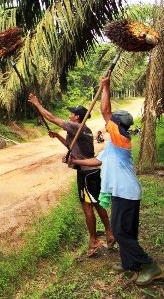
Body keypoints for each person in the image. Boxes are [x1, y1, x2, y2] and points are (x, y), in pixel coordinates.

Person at [70, 74, 162, 285]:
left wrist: (106, 86)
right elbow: (96, 161)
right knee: (125, 230)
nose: (107, 123)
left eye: (111, 122)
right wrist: (75, 161)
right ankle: (130, 263)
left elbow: (104, 111)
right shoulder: (112, 145)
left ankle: (150, 266)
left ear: (116, 125)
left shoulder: (121, 139)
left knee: (120, 231)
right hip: (122, 192)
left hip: (127, 192)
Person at [28, 93, 114, 257]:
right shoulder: (84, 130)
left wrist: (37, 104)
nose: (70, 115)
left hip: (86, 174)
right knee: (96, 204)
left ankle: (94, 240)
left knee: (87, 206)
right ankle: (110, 233)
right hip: (91, 173)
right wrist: (58, 136)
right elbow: (70, 146)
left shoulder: (77, 127)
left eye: (72, 113)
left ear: (77, 117)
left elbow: (52, 118)